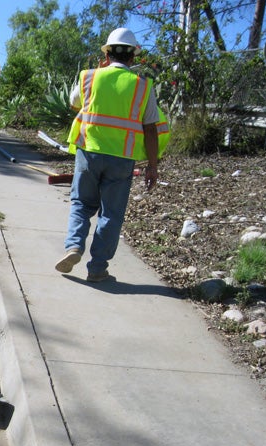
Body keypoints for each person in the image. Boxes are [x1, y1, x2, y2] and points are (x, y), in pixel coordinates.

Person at [55, 27, 170, 282]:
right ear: (133, 57)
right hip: (122, 158)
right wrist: (152, 166)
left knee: (82, 204)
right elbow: (150, 129)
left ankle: (74, 247)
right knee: (111, 214)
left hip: (89, 153)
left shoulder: (90, 77)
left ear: (107, 55)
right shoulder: (143, 86)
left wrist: (98, 73)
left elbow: (74, 103)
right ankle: (97, 269)